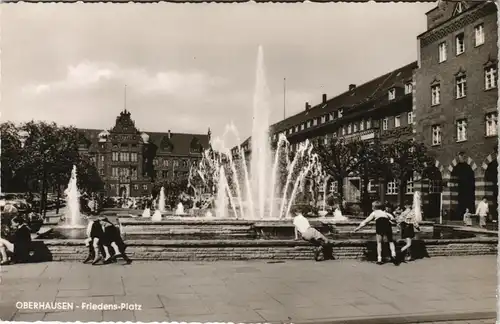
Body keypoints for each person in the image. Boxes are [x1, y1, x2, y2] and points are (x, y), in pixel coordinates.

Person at [353, 201, 397, 265]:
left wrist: (358, 228)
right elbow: (392, 218)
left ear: (374, 207)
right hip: (387, 224)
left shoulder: (374, 213)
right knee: (390, 241)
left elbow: (366, 222)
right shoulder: (385, 213)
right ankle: (393, 254)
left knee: (379, 242)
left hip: (380, 225)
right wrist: (393, 221)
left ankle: (379, 259)